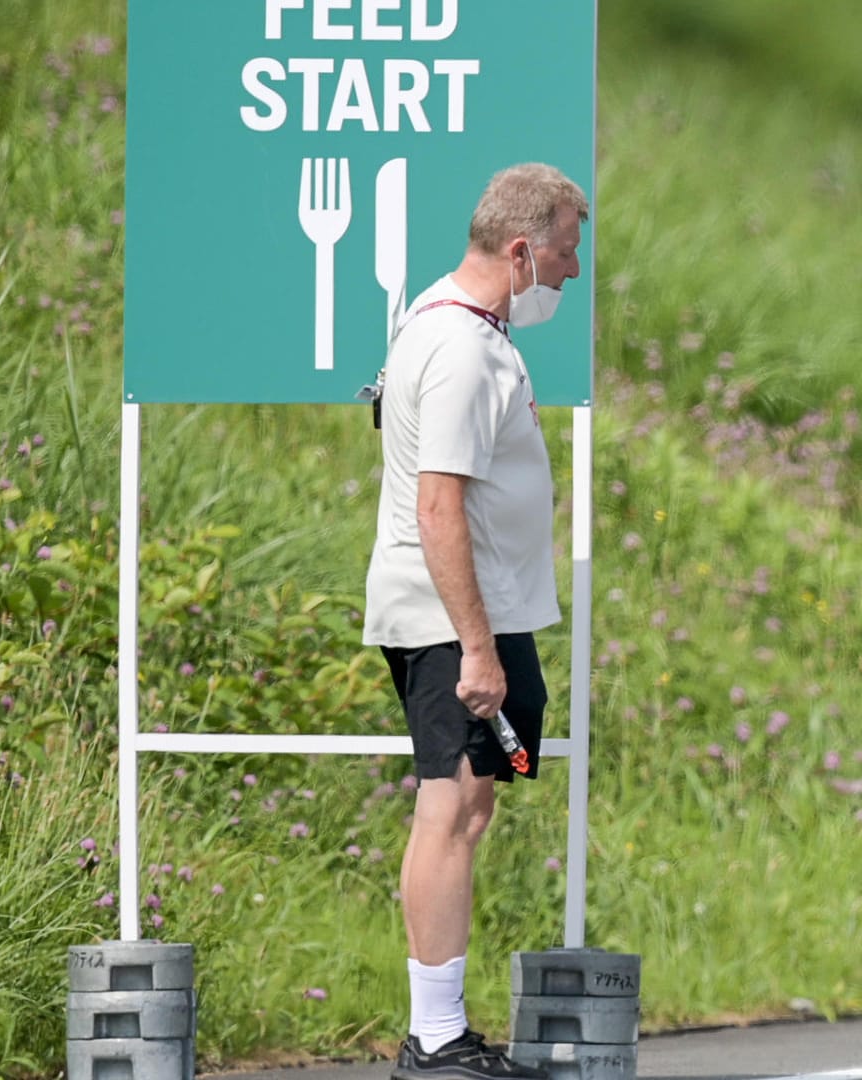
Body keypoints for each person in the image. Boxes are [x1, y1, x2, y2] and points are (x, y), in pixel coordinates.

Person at [363, 162, 587, 1080]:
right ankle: (435, 1038)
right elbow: (437, 505)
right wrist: (480, 651)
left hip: (483, 612)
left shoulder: (451, 320)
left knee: (476, 800)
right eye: (568, 252)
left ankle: (444, 1029)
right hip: (456, 620)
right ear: (523, 247)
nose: (573, 273)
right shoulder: (458, 347)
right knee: (449, 806)